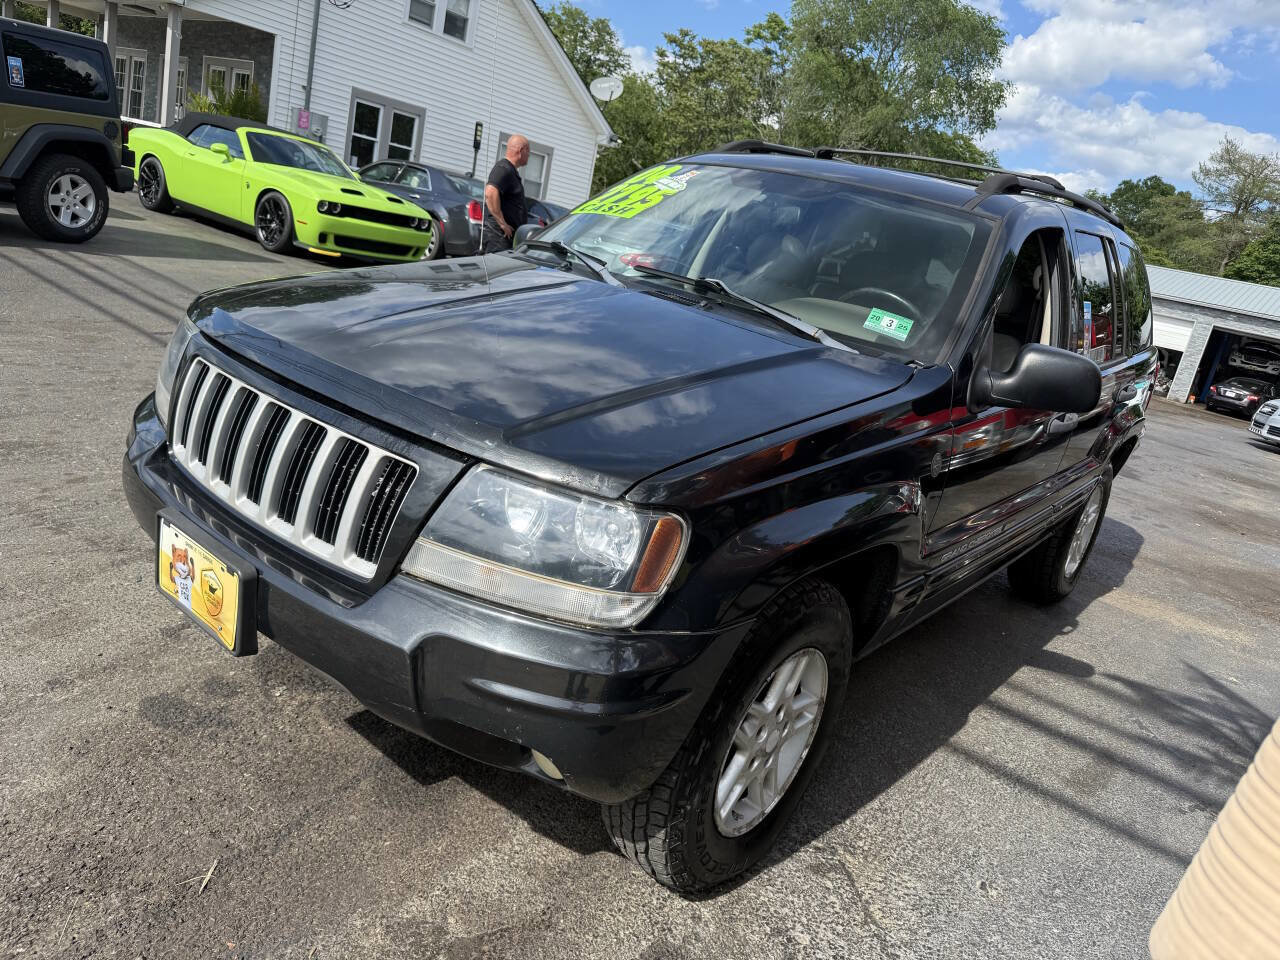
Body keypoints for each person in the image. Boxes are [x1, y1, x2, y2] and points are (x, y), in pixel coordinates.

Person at [482, 135, 530, 253]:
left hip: (505, 238)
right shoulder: (503, 168)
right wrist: (502, 224)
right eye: (528, 151)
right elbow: (490, 193)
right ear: (520, 150)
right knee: (495, 269)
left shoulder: (510, 170)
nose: (529, 155)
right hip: (498, 237)